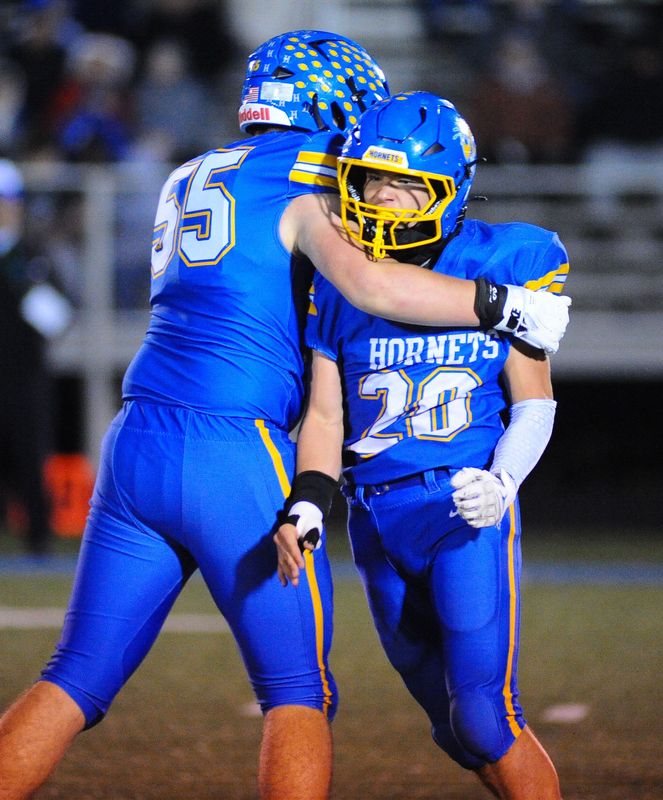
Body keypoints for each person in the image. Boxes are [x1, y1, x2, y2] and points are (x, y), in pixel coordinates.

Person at [0, 32, 569, 800]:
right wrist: (502, 304)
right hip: (232, 446)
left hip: (136, 438)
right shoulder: (313, 174)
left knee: (73, 677)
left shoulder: (187, 173)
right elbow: (374, 285)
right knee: (298, 690)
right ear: (332, 101)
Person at [275, 91, 567, 799]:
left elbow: (535, 402)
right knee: (450, 727)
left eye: (409, 185)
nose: (385, 200)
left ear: (450, 192)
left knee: (487, 720)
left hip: (462, 509)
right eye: (373, 180)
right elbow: (322, 413)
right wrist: (307, 502)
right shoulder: (338, 279)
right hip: (373, 518)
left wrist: (501, 484)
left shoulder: (503, 258)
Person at [0, 158, 71, 555]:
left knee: (29, 461)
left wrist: (23, 282)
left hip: (23, 377)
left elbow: (57, 319)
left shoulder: (30, 257)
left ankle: (38, 545)